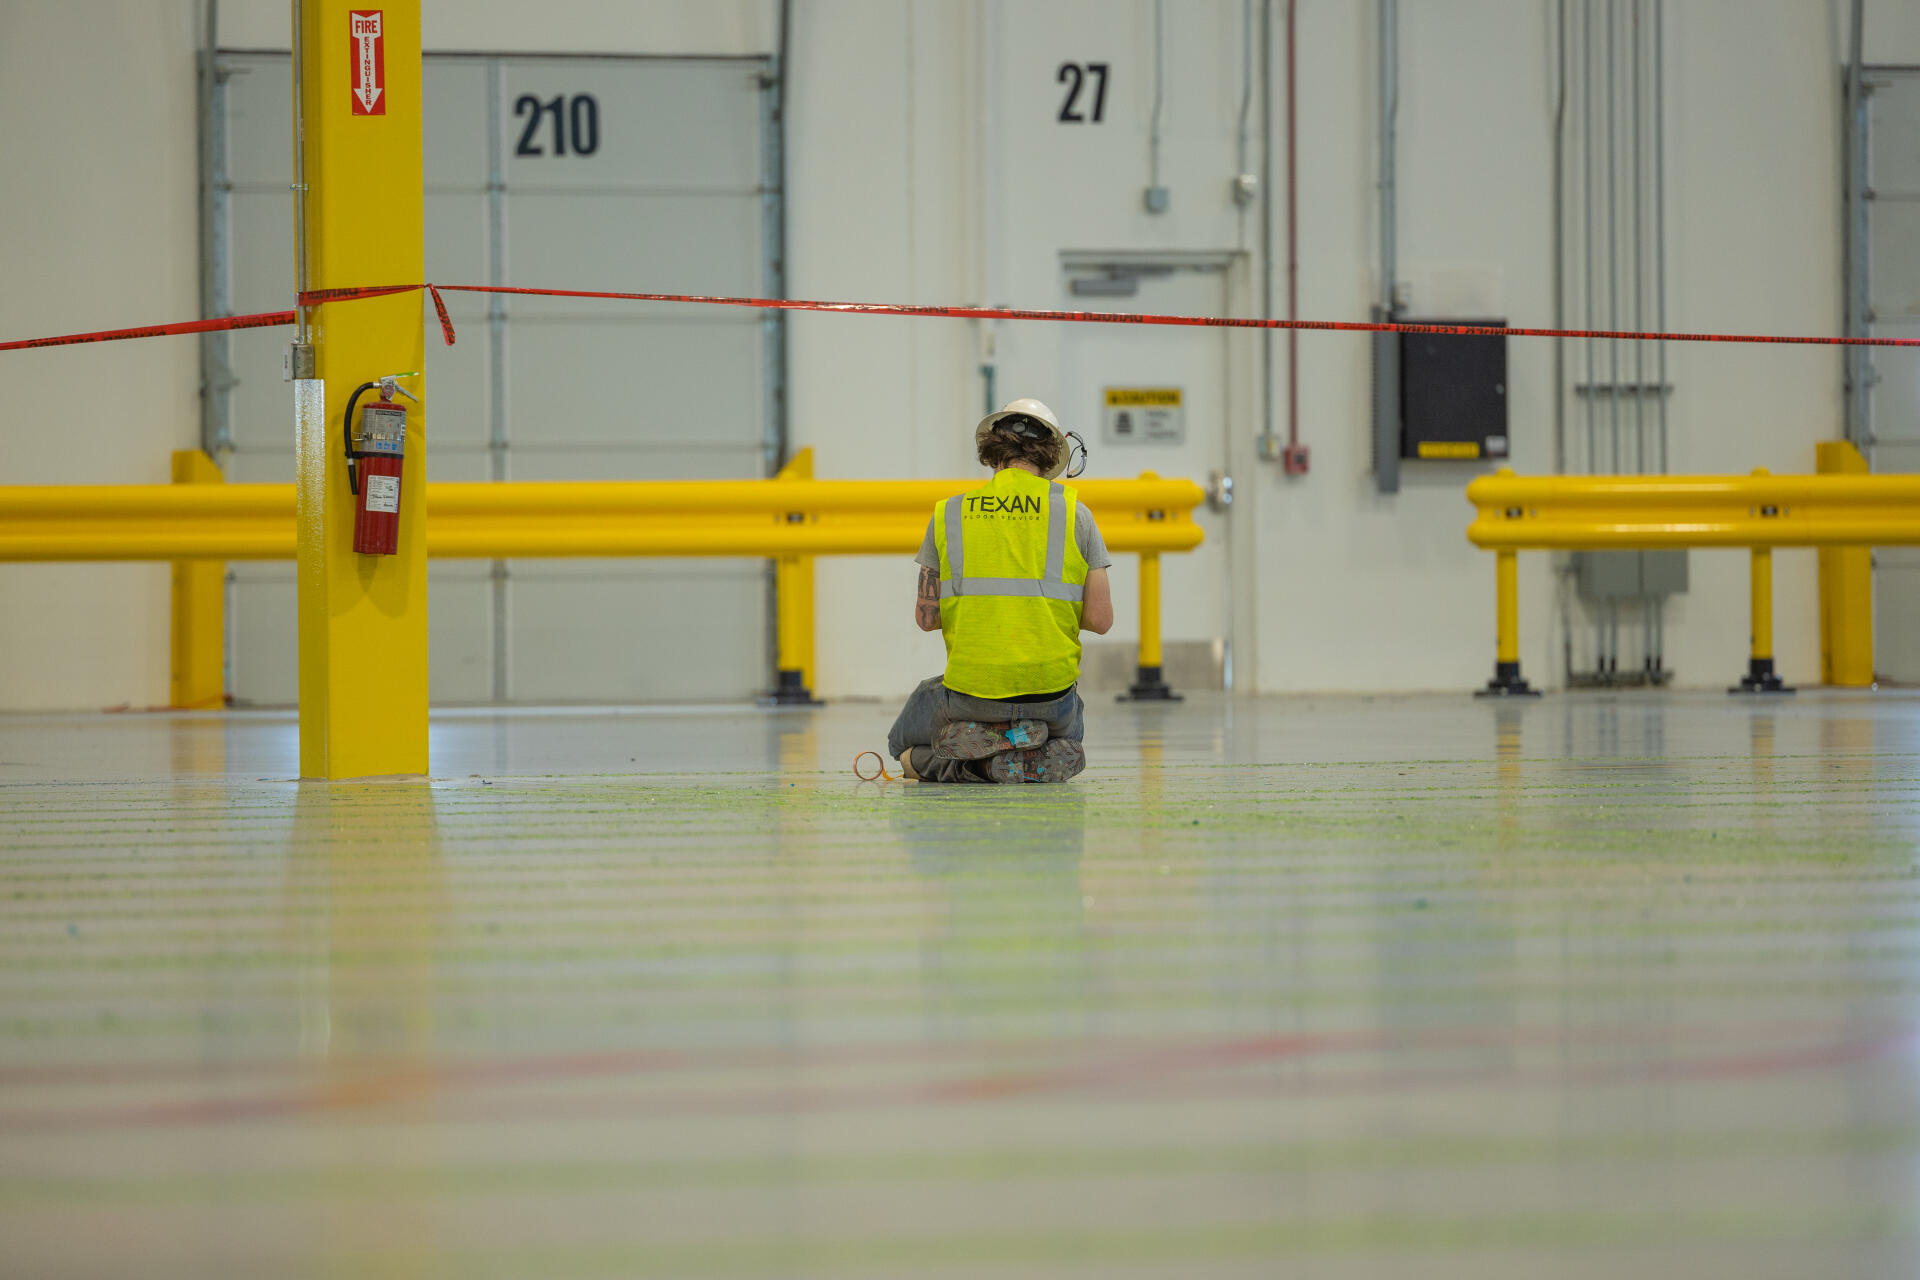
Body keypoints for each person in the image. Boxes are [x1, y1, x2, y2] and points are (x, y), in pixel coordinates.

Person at [886, 398, 1114, 783]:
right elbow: (1101, 619)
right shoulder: (1077, 514)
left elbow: (926, 619)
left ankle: (976, 765)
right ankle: (1033, 746)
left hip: (972, 699)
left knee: (901, 743)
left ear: (993, 451)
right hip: (1051, 702)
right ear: (1053, 453)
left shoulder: (948, 513)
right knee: (1069, 727)